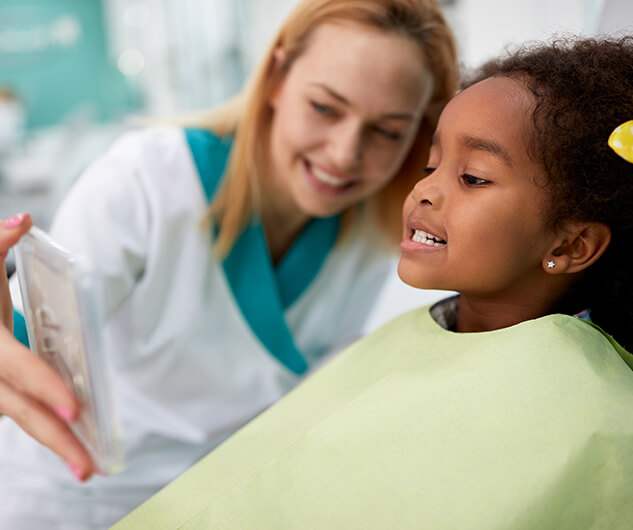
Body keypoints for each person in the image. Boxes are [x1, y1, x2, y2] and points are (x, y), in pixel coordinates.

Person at [113, 36, 633, 529]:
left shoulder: (594, 420)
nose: (424, 190)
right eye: (432, 165)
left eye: (472, 177)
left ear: (570, 246)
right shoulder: (410, 337)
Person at [0, 0, 458, 528]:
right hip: (63, 498)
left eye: (387, 131)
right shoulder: (147, 179)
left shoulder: (374, 227)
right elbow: (32, 338)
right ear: (278, 78)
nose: (345, 153)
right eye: (325, 109)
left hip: (213, 503)